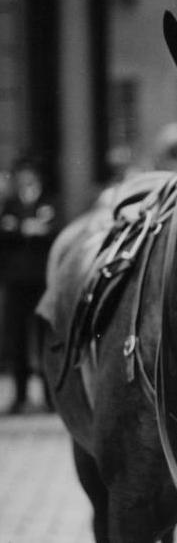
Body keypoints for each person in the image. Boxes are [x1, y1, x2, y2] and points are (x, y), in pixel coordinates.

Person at [0, 156, 57, 413]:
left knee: (44, 337)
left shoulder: (49, 201)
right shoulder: (10, 204)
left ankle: (49, 397)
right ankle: (19, 396)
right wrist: (26, 228)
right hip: (16, 282)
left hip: (40, 281)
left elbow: (54, 231)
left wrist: (27, 229)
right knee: (17, 340)